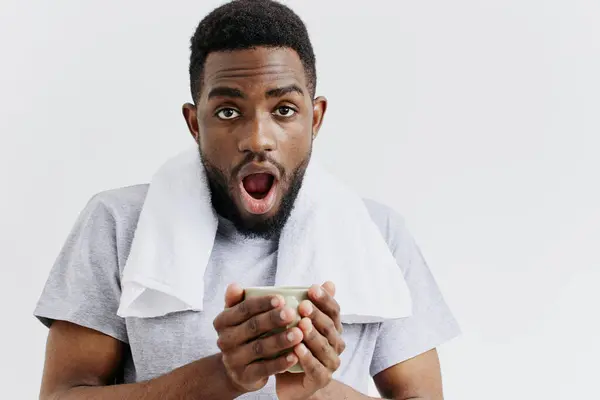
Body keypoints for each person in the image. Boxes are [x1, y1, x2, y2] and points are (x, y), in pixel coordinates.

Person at [34, 1, 460, 399]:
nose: (258, 140)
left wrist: (314, 388)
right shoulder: (118, 223)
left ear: (316, 118)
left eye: (284, 110)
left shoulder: (379, 233)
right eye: (228, 112)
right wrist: (223, 375)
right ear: (194, 123)